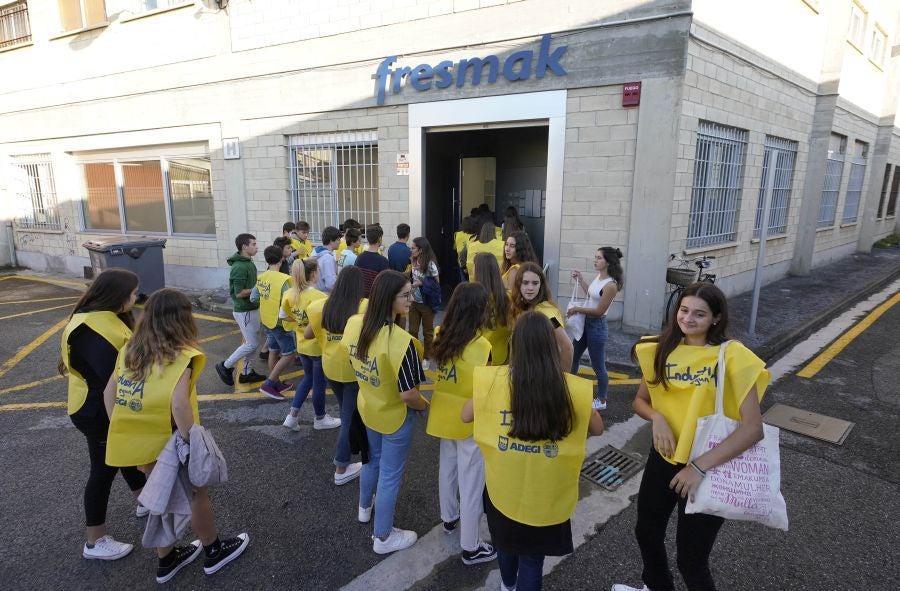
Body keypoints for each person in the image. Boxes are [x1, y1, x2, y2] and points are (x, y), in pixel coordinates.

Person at [613, 283, 769, 591]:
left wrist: (697, 467)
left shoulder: (733, 356)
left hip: (709, 466)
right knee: (646, 532)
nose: (689, 319)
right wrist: (656, 417)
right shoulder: (660, 348)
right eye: (684, 311)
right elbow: (640, 401)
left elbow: (753, 429)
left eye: (700, 314)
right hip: (665, 456)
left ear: (716, 319)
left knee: (691, 560)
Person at [104, 289, 249, 584]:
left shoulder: (130, 349)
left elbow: (110, 393)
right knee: (196, 495)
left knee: (159, 497)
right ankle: (214, 551)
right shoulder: (180, 355)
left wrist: (123, 426)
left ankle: (167, 559)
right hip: (170, 437)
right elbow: (180, 403)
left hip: (136, 439)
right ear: (182, 319)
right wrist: (190, 442)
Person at [462, 311, 604, 591]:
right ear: (550, 346)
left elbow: (466, 415)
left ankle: (506, 585)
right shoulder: (570, 389)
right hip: (546, 495)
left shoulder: (493, 381)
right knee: (532, 559)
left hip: (503, 488)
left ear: (516, 344)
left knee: (504, 545)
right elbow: (598, 429)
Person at [59, 268, 146, 561]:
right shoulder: (90, 328)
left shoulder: (101, 317)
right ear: (118, 296)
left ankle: (145, 500)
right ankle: (94, 541)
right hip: (96, 411)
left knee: (124, 455)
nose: (136, 298)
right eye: (133, 294)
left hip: (99, 405)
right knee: (103, 471)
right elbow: (115, 376)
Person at [342, 270, 429, 555]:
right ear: (388, 299)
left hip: (368, 407)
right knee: (390, 475)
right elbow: (409, 394)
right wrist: (425, 407)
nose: (411, 299)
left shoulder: (355, 323)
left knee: (371, 462)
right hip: (393, 417)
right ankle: (383, 537)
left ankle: (363, 509)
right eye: (405, 295)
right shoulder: (401, 342)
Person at [426, 283, 496, 566]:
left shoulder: (441, 334)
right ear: (479, 311)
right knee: (471, 482)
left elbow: (433, 370)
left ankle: (449, 518)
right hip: (471, 420)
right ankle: (471, 546)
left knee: (448, 469)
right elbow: (487, 389)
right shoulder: (483, 347)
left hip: (443, 414)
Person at [305, 266, 367, 484]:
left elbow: (308, 333)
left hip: (329, 365)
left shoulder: (322, 305)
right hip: (352, 368)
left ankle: (352, 447)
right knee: (349, 416)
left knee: (345, 410)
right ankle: (341, 467)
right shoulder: (363, 306)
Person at [281, 258, 341, 431]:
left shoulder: (290, 294)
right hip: (317, 346)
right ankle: (320, 418)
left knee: (308, 379)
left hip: (301, 345)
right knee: (319, 383)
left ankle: (292, 416)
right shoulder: (320, 297)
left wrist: (299, 322)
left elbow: (283, 316)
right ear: (314, 273)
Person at [567, 247, 624, 411]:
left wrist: (577, 309)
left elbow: (599, 311)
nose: (595, 260)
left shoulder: (611, 285)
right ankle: (569, 387)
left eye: (598, 258)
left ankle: (602, 400)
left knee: (598, 366)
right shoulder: (599, 277)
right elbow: (590, 296)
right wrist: (581, 280)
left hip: (596, 326)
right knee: (573, 356)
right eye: (595, 257)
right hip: (586, 323)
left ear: (607, 262)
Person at [216, 233, 266, 387]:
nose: (257, 247)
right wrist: (258, 289)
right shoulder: (239, 267)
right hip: (244, 310)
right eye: (254, 244)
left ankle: (246, 372)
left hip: (252, 308)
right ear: (245, 247)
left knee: (254, 342)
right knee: (251, 344)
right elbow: (238, 293)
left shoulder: (248, 262)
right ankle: (225, 366)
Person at [510, 262, 573, 373]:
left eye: (535, 283)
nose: (530, 288)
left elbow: (567, 347)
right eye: (525, 283)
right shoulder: (520, 306)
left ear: (541, 285)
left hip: (539, 375)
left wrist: (564, 379)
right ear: (518, 284)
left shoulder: (548, 314)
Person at [253, 245, 295, 401]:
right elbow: (289, 301)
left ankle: (276, 382)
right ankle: (270, 383)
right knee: (289, 354)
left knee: (273, 350)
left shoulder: (262, 277)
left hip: (267, 320)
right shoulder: (284, 279)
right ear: (282, 258)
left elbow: (253, 297)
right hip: (280, 323)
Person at [472, 252, 511, 365]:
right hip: (502, 355)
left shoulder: (474, 297)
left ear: (479, 271)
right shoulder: (508, 297)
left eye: (474, 266)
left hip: (479, 356)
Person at [408, 236, 440, 365]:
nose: (411, 250)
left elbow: (437, 284)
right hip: (413, 302)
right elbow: (412, 275)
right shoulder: (413, 260)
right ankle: (414, 355)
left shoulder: (430, 264)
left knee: (427, 332)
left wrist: (421, 283)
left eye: (413, 248)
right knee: (412, 331)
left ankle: (426, 358)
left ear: (420, 250)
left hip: (427, 303)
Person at [356, 224, 390, 297]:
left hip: (360, 299)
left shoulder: (359, 257)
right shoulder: (383, 261)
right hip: (375, 300)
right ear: (380, 239)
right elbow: (385, 285)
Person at [314, 226, 342, 294]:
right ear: (331, 241)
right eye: (338, 239)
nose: (340, 242)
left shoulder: (316, 253)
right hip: (325, 296)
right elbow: (331, 284)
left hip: (318, 294)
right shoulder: (328, 258)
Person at [454, 216, 480, 281]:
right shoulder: (476, 236)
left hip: (461, 262)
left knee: (464, 281)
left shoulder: (458, 234)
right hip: (472, 262)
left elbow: (454, 247)